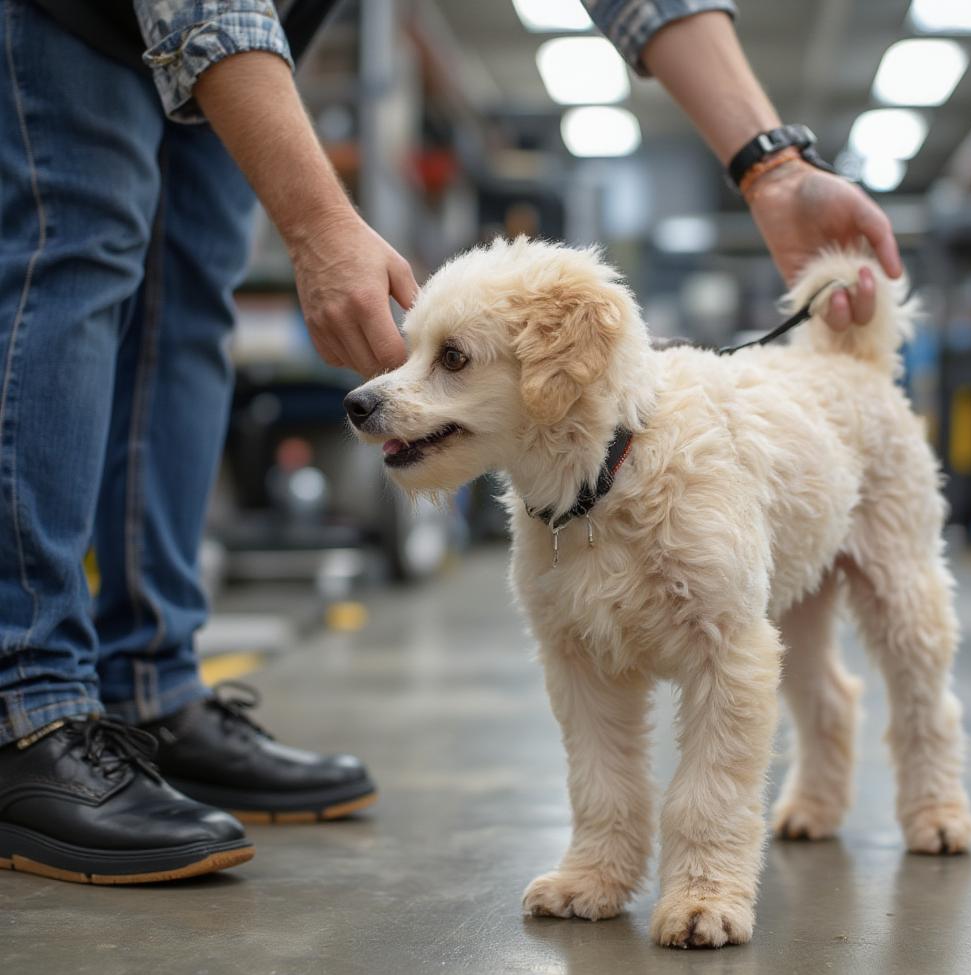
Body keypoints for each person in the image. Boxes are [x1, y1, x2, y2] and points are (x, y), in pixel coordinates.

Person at [0, 0, 900, 884]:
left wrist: (769, 165)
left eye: (454, 357)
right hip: (93, 21)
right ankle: (27, 701)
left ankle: (155, 687)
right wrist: (315, 223)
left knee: (191, 298)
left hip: (251, 38)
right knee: (73, 247)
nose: (385, 388)